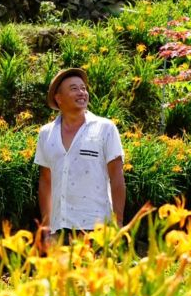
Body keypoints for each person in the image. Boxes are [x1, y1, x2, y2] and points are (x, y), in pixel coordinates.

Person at [35, 67, 126, 241]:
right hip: (59, 230)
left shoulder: (105, 128)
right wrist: (46, 229)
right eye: (74, 88)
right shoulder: (46, 133)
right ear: (59, 98)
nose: (82, 93)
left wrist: (118, 222)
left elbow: (117, 176)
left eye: (83, 88)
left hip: (97, 228)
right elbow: (46, 181)